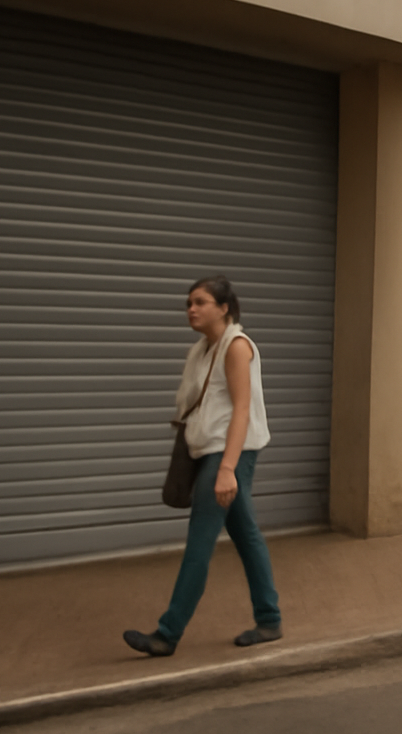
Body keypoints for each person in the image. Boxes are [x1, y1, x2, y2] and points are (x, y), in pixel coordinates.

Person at [124, 276, 281, 657]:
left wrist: (227, 468)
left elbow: (242, 409)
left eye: (200, 301)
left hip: (230, 452)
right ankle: (270, 619)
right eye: (189, 303)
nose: (191, 309)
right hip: (211, 450)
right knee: (246, 535)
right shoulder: (204, 349)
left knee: (200, 540)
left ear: (224, 308)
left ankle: (168, 633)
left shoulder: (236, 347)